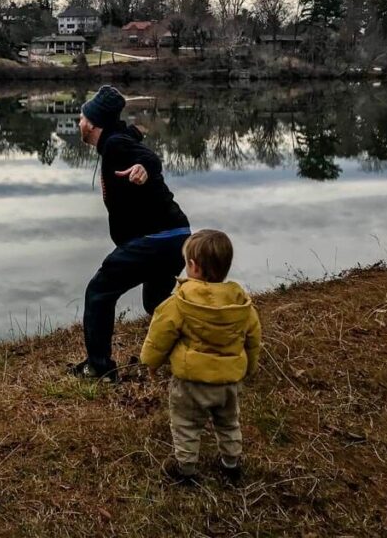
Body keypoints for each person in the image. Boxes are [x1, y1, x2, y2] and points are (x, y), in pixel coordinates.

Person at [67, 85, 190, 382]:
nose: (79, 123)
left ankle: (98, 368)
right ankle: (202, 343)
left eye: (82, 117)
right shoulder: (117, 140)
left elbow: (149, 159)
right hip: (176, 235)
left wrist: (142, 167)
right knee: (157, 304)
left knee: (99, 292)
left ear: (94, 123)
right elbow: (134, 138)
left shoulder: (115, 145)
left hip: (156, 240)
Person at [139, 229, 262, 485]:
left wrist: (150, 363)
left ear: (193, 267)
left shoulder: (179, 302)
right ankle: (231, 463)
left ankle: (185, 469)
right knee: (228, 423)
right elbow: (253, 339)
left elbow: (159, 336)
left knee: (186, 425)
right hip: (229, 382)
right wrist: (250, 367)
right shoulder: (240, 304)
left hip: (191, 383)